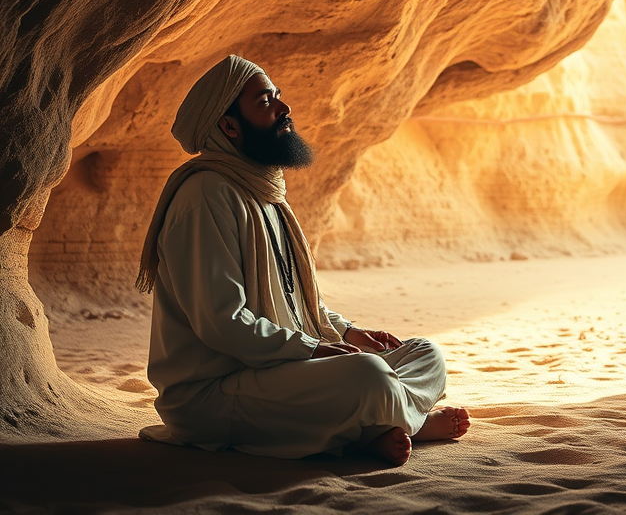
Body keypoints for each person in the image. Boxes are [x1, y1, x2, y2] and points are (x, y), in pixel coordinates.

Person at [135, 54, 468, 464]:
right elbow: (222, 321)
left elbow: (294, 302)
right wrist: (313, 350)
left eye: (277, 96)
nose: (283, 108)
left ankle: (382, 425)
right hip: (212, 394)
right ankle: (405, 423)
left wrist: (346, 334)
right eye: (264, 102)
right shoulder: (206, 195)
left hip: (274, 373)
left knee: (426, 354)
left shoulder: (266, 194)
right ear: (229, 126)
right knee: (370, 376)